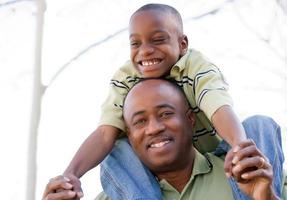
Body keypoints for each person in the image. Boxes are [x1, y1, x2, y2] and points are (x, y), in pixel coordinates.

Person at [52, 3, 283, 199]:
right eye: (136, 43)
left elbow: (218, 106)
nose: (146, 51)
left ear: (182, 44)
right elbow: (104, 134)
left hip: (223, 153)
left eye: (158, 39)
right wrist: (70, 175)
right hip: (142, 182)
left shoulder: (196, 66)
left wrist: (240, 147)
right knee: (115, 151)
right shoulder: (125, 78)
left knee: (259, 125)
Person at [43, 79, 283, 200]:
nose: (154, 128)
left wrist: (265, 197)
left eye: (166, 114)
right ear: (128, 134)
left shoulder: (258, 175)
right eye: (139, 121)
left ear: (190, 119)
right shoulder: (115, 194)